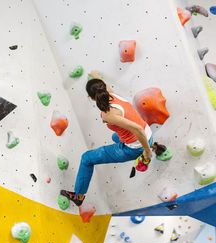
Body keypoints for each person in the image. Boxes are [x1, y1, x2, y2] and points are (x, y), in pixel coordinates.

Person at [61, 71, 153, 206]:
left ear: (92, 98)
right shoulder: (112, 94)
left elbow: (137, 130)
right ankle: (149, 145)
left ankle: (78, 196)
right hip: (148, 134)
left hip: (135, 146)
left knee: (87, 158)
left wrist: (147, 151)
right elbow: (97, 77)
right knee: (115, 136)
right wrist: (94, 74)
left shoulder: (108, 116)